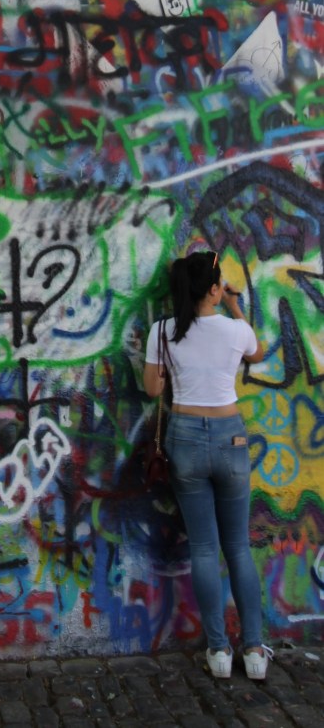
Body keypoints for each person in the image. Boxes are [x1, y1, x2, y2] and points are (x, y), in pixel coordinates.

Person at [143, 250, 272, 680]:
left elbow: (151, 389)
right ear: (215, 289)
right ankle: (254, 651)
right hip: (230, 437)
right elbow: (259, 353)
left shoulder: (163, 331)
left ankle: (218, 650)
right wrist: (235, 306)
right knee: (237, 547)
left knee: (203, 547)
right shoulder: (236, 331)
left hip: (185, 438)